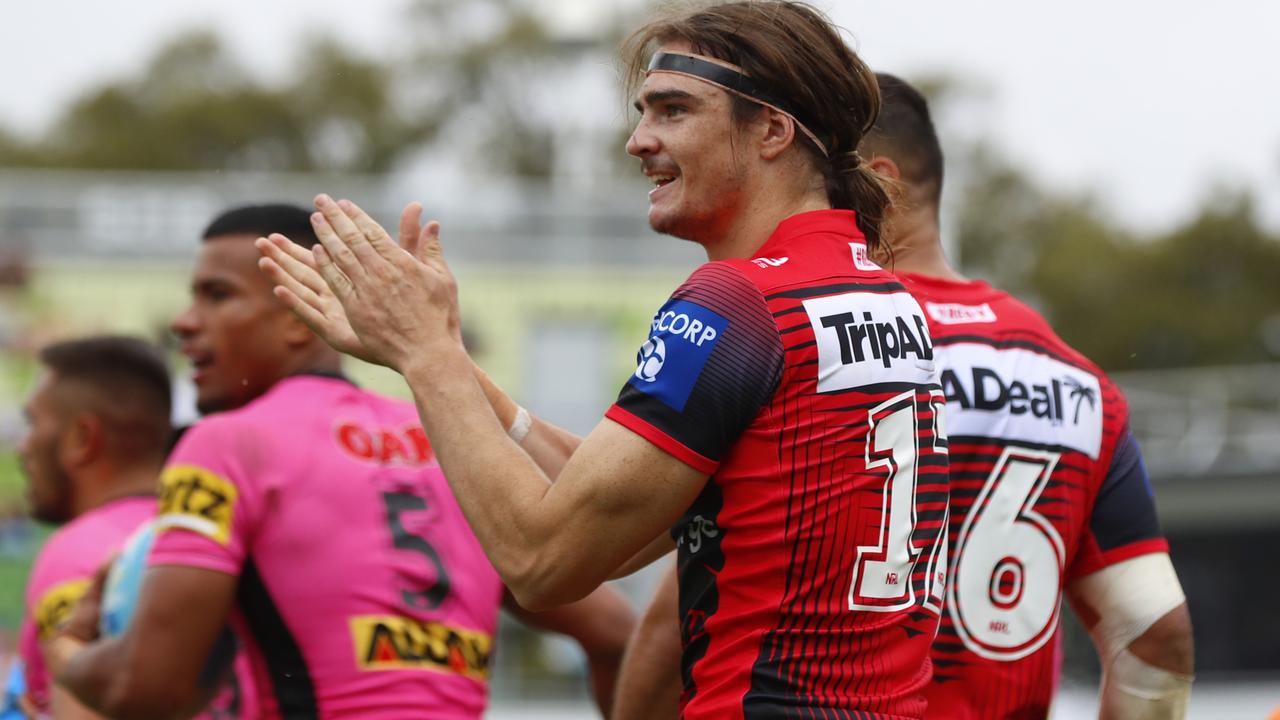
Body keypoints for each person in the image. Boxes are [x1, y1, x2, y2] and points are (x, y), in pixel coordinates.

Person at [260, 2, 951, 718]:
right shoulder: (880, 292)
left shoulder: (739, 301)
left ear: (773, 130)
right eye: (643, 111)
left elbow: (545, 560)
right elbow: (622, 527)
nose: (637, 140)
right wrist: (441, 356)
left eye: (673, 110)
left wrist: (427, 353)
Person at [609, 73, 1196, 720]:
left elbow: (680, 621)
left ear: (881, 182)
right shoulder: (1080, 382)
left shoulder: (816, 345)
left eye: (818, 180)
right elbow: (1155, 632)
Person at [51, 204, 634, 719]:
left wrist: (67, 650)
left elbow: (147, 688)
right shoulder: (450, 440)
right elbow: (617, 635)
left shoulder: (227, 444)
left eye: (216, 295)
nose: (184, 321)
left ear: (297, 316)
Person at [15, 335, 252, 719]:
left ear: (82, 438)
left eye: (33, 423)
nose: (23, 447)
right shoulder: (197, 538)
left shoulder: (82, 554)